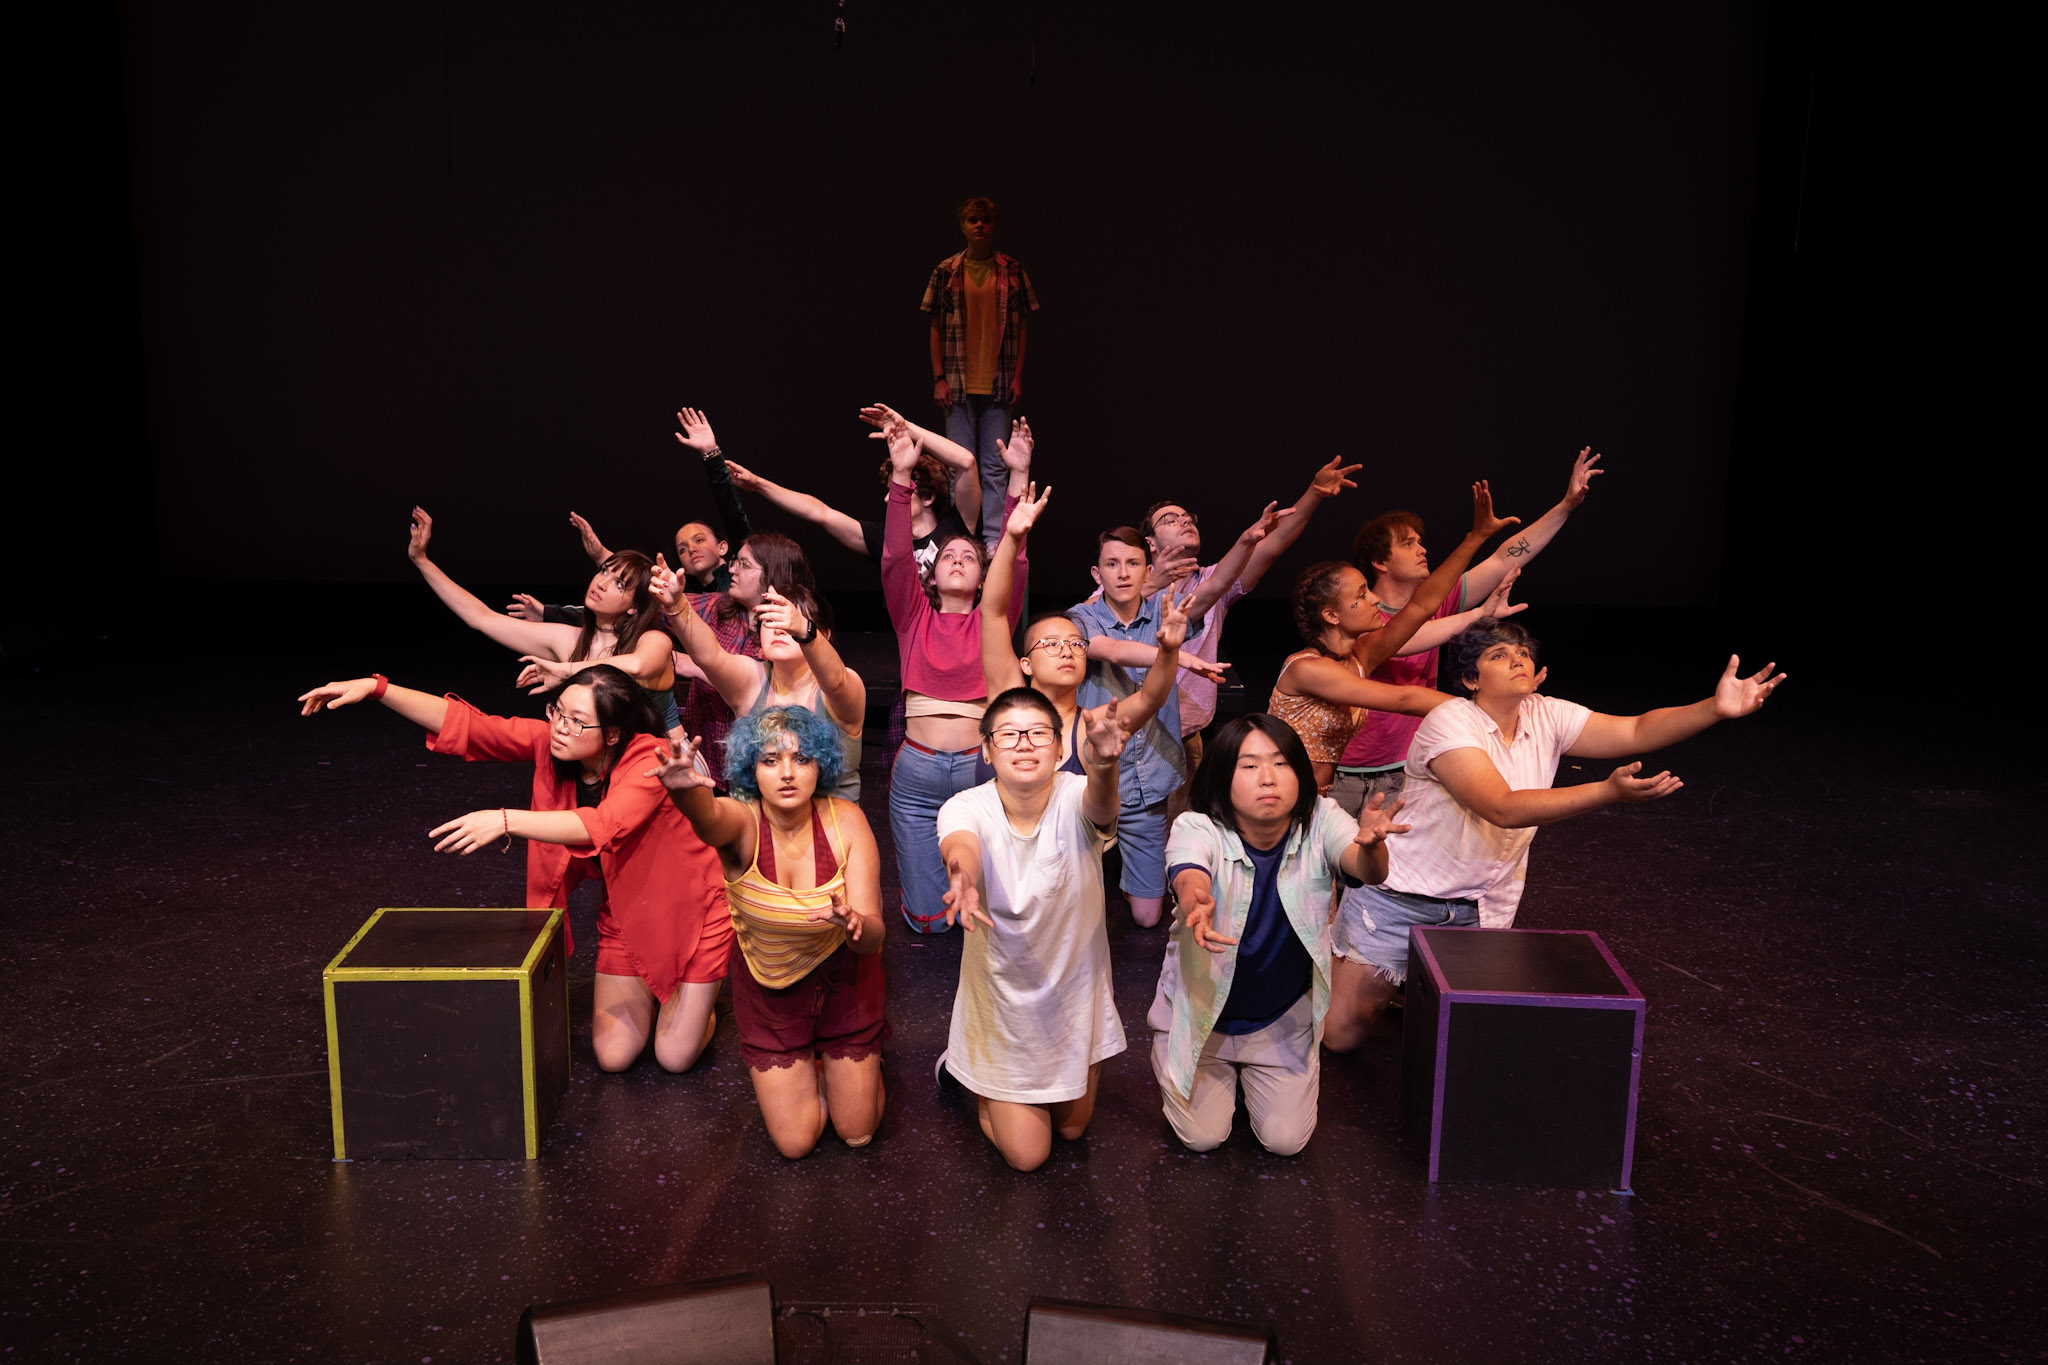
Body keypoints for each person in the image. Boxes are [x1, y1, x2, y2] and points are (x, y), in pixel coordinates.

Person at [1322, 619, 1786, 1051]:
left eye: (1522, 652)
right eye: (1499, 655)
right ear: (1470, 679)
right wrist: (1605, 791)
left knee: (1463, 1040)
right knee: (1341, 1037)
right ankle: (1332, 949)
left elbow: (1637, 729)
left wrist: (1715, 709)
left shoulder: (1548, 716)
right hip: (1402, 895)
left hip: (1479, 906)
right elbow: (1502, 808)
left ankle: (1411, 985)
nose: (1517, 659)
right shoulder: (1451, 722)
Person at [296, 664, 731, 1073]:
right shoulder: (555, 746)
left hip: (692, 910)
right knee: (613, 1057)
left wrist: (505, 819)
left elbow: (601, 824)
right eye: (557, 711)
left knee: (674, 1058)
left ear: (613, 733)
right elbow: (472, 726)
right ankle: (673, 1001)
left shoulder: (651, 758)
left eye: (577, 721)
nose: (560, 727)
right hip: (628, 913)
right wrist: (378, 689)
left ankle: (698, 1005)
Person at [1154, 715, 1410, 1155]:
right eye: (1249, 766)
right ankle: (1186, 1053)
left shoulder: (1322, 820)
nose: (1268, 778)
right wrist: (1196, 901)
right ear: (1222, 776)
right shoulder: (1197, 826)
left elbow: (1365, 867)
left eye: (1280, 763)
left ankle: (1257, 1073)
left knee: (1285, 1143)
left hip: (1280, 1022)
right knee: (1203, 1138)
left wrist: (1373, 846)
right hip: (1201, 1017)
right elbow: (1188, 870)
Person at [655, 708, 887, 1158]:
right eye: (769, 760)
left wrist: (856, 928)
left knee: (857, 1133)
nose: (786, 773)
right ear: (750, 768)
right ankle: (817, 1071)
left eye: (801, 760)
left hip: (846, 981)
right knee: (796, 1145)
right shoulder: (743, 822)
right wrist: (687, 796)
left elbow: (875, 936)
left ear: (820, 767)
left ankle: (855, 1070)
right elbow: (710, 819)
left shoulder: (847, 819)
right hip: (770, 988)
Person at [1333, 447, 1606, 812]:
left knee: (1394, 867)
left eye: (1420, 540)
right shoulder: (1361, 614)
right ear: (1380, 562)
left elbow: (1506, 556)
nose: (1422, 549)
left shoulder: (1439, 603)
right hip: (1347, 768)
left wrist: (1565, 506)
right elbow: (1398, 640)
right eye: (1408, 543)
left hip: (1406, 765)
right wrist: (1476, 613)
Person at [936, 687, 1127, 1172]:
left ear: (1061, 749)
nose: (1024, 743)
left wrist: (1104, 766)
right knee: (1028, 1156)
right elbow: (962, 847)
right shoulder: (965, 805)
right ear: (986, 749)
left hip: (1071, 997)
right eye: (1009, 734)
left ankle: (991, 1078)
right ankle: (967, 1076)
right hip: (1003, 1004)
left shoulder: (1073, 794)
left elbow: (1102, 808)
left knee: (1071, 1129)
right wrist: (964, 879)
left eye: (1039, 733)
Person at [1267, 481, 1523, 795]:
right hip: (1284, 798)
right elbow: (1406, 699)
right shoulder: (1307, 669)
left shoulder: (1360, 656)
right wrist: (1488, 708)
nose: (1374, 600)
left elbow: (1421, 605)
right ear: (1331, 615)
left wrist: (1476, 537)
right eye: (1361, 596)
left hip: (1320, 798)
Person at [1129, 455, 1367, 783]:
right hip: (1133, 733)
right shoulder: (1128, 584)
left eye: (1189, 517)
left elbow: (1272, 546)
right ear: (1150, 543)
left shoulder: (1214, 581)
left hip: (1185, 739)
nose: (1185, 522)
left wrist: (1314, 492)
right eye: (1171, 519)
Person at [882, 422, 1029, 933]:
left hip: (978, 770)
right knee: (930, 922)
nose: (961, 558)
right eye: (950, 554)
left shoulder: (994, 622)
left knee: (988, 914)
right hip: (916, 776)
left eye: (971, 556)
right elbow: (895, 558)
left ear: (985, 576)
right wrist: (901, 478)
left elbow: (1016, 556)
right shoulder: (913, 616)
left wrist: (1018, 480)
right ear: (934, 572)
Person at [405, 506, 684, 737]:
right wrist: (421, 561)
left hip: (670, 760)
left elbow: (636, 666)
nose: (601, 583)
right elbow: (481, 617)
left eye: (619, 584)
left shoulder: (654, 640)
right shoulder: (569, 639)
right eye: (603, 572)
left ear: (635, 607)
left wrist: (563, 670)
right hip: (601, 760)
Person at [975, 483, 1187, 781]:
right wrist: (1011, 537)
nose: (1066, 650)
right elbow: (993, 613)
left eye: (1076, 644)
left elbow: (1150, 698)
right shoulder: (1009, 696)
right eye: (1051, 643)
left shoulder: (1090, 725)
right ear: (1026, 664)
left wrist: (1169, 650)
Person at [654, 556, 866, 802]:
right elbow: (710, 656)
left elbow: (837, 681)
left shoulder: (842, 684)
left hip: (831, 828)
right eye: (770, 620)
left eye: (790, 621)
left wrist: (805, 631)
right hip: (757, 824)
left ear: (824, 635)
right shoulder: (753, 679)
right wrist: (676, 605)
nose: (779, 628)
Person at [720, 406, 1017, 574]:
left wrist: (907, 428)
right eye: (889, 490)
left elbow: (966, 462)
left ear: (927, 497)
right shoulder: (884, 540)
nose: (890, 497)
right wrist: (759, 484)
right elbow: (820, 513)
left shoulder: (956, 525)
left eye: (901, 490)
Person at [921, 196, 1039, 547]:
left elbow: (1020, 327)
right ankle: (960, 537)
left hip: (998, 380)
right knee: (958, 466)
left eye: (986, 220)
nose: (980, 226)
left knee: (994, 465)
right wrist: (938, 377)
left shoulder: (1011, 270)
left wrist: (1018, 376)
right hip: (957, 381)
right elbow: (936, 327)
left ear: (994, 225)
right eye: (973, 220)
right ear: (963, 225)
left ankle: (992, 539)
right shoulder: (947, 271)